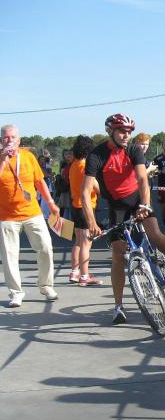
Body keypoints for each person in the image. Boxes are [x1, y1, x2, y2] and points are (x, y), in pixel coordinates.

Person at [82, 114, 165, 325]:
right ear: (110, 131)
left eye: (129, 132)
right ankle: (118, 307)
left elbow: (142, 179)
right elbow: (85, 192)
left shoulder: (133, 150)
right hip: (116, 206)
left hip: (137, 200)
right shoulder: (97, 155)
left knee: (154, 234)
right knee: (118, 254)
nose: (126, 135)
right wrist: (91, 222)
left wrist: (145, 205)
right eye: (122, 131)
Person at [0, 124, 59, 307]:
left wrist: (51, 203)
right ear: (1, 140)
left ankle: (46, 285)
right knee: (10, 256)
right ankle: (16, 293)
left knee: (46, 247)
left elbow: (39, 181)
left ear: (19, 140)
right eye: (6, 137)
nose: (9, 140)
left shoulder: (28, 157)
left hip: (32, 212)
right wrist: (3, 161)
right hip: (7, 216)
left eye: (13, 137)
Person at [68, 135, 102, 287]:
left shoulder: (74, 164)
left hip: (75, 206)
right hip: (86, 207)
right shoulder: (85, 166)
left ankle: (75, 272)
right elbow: (97, 188)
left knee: (78, 241)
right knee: (86, 243)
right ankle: (84, 276)